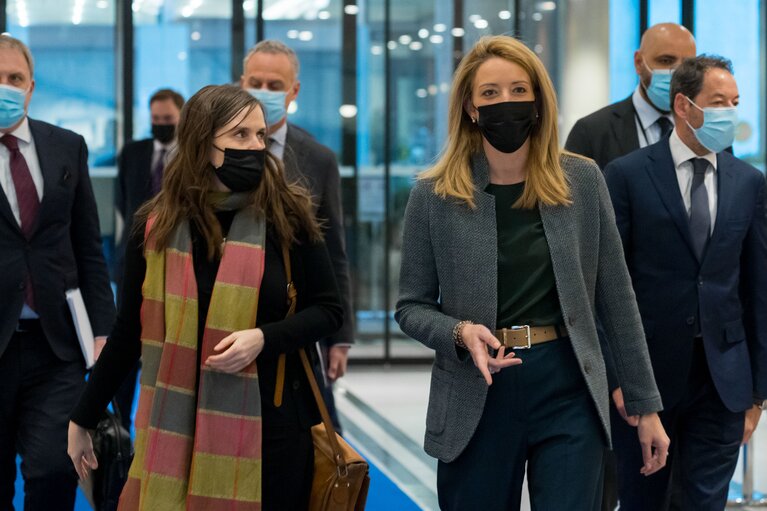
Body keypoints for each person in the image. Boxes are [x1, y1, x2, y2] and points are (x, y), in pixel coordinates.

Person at [395, 35, 669, 511]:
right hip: (476, 390)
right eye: (491, 93)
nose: (507, 103)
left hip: (567, 384)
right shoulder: (433, 194)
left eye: (520, 91)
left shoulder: (581, 180)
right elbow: (410, 306)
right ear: (470, 107)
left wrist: (646, 405)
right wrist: (459, 332)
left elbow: (617, 299)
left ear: (539, 101)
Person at [68, 84, 343, 510]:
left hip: (273, 427)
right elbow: (128, 333)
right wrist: (83, 416)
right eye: (239, 136)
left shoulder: (288, 215)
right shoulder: (157, 227)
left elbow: (329, 310)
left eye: (259, 135)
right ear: (203, 142)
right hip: (178, 424)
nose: (254, 146)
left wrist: (264, 338)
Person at [603, 55, 767, 511]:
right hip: (647, 375)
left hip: (724, 380)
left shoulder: (748, 182)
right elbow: (608, 287)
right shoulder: (627, 175)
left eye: (735, 102)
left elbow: (758, 290)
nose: (729, 112)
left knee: (705, 502)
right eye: (718, 102)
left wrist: (758, 393)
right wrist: (619, 379)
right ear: (683, 105)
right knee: (643, 500)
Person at [0, 34, 115, 510]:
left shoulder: (68, 146)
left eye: (14, 78)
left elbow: (88, 247)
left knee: (53, 468)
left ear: (31, 87)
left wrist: (105, 331)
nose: (4, 88)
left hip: (59, 345)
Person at [241, 39, 353, 428]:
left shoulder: (318, 159)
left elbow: (333, 251)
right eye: (255, 82)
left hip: (295, 321)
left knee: (316, 432)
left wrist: (340, 336)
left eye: (274, 85)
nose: (263, 92)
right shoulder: (215, 150)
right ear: (241, 83)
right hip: (229, 313)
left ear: (294, 91)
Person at [113, 87, 185, 431]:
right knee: (126, 340)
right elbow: (122, 201)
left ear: (181, 118)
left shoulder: (190, 156)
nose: (160, 125)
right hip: (133, 261)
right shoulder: (133, 152)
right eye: (155, 120)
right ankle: (119, 428)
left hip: (177, 263)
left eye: (167, 120)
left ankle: (165, 425)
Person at [565, 23, 696, 170]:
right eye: (665, 61)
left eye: (687, 65)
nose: (677, 72)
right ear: (639, 62)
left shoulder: (704, 129)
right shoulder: (591, 132)